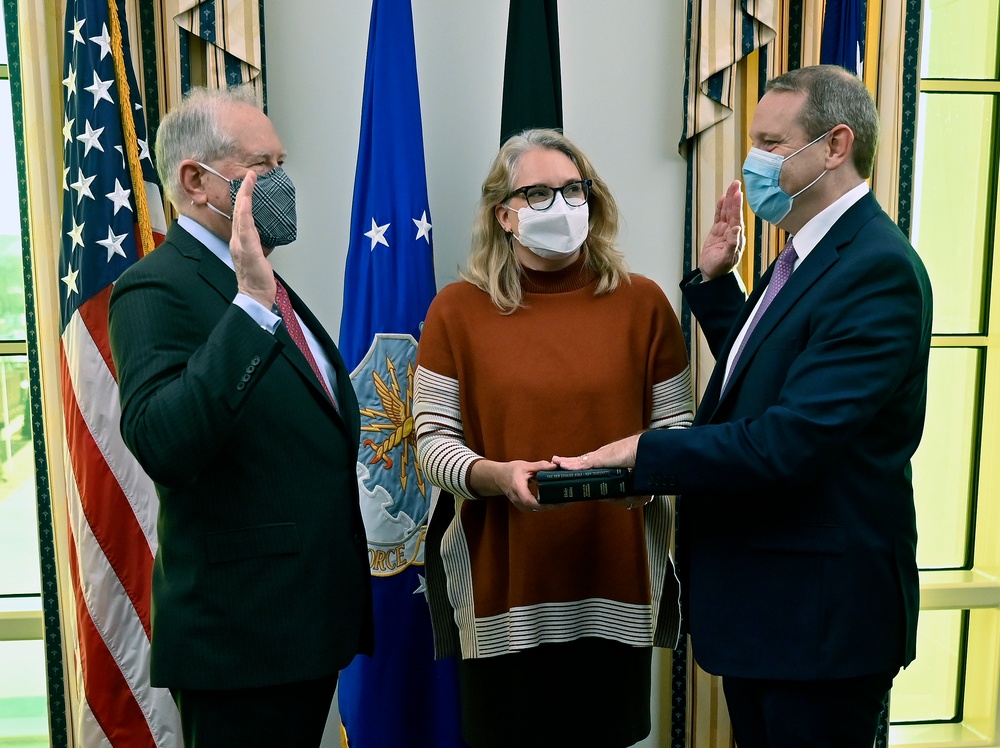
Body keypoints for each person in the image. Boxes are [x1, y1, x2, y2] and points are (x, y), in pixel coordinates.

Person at [555, 65, 933, 747]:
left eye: (770, 141)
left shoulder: (876, 268)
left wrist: (647, 455)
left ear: (835, 145)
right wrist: (714, 284)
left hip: (820, 630)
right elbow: (778, 375)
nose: (752, 160)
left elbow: (790, 439)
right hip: (773, 616)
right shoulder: (805, 256)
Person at [108, 85, 373, 747]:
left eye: (282, 165)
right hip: (240, 642)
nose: (283, 185)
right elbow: (163, 439)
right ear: (197, 180)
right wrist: (252, 304)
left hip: (305, 628)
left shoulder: (260, 280)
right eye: (265, 168)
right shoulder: (158, 286)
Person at [412, 128, 694, 748]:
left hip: (613, 589)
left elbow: (678, 435)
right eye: (537, 194)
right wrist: (496, 475)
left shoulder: (644, 304)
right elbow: (431, 443)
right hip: (503, 593)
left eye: (573, 190)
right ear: (504, 215)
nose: (561, 206)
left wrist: (643, 481)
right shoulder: (456, 311)